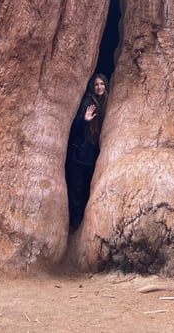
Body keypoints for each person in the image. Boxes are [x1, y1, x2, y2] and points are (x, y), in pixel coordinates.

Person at [65, 73, 109, 230]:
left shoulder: (106, 103)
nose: (99, 87)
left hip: (92, 154)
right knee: (76, 188)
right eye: (96, 84)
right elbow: (75, 126)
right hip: (79, 155)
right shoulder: (88, 102)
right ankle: (75, 222)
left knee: (86, 188)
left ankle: (82, 221)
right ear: (92, 86)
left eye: (102, 84)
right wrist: (85, 120)